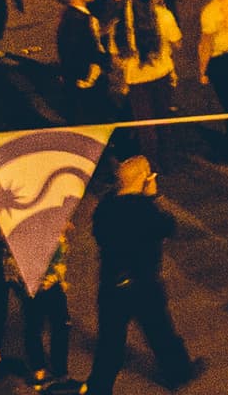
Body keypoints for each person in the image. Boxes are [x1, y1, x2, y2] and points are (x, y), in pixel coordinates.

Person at [86, 150, 192, 395]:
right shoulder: (145, 210)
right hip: (143, 283)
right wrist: (151, 197)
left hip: (111, 282)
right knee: (160, 331)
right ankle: (178, 373)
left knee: (110, 342)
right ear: (144, 178)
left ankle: (99, 388)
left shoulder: (106, 206)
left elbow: (100, 234)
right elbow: (168, 227)